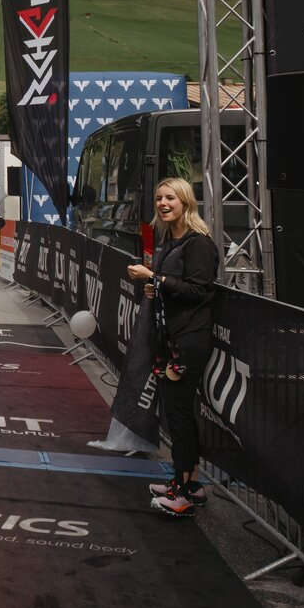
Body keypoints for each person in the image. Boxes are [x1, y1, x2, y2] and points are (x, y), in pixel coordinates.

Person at [126, 177, 220, 518]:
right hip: (169, 338)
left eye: (170, 198)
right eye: (159, 198)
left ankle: (182, 493)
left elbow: (198, 290)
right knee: (178, 413)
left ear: (185, 202)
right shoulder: (168, 242)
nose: (163, 204)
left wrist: (155, 278)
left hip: (188, 339)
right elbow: (172, 287)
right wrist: (155, 286)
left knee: (179, 414)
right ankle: (190, 485)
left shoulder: (199, 243)